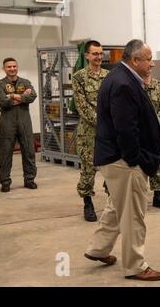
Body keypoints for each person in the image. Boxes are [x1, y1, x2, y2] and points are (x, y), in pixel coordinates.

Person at [84, 39, 160, 281]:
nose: (152, 64)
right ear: (135, 60)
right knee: (132, 215)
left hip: (116, 159)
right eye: (148, 60)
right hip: (124, 161)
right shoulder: (123, 84)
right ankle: (135, 265)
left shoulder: (121, 77)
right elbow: (126, 130)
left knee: (116, 206)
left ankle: (98, 249)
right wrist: (135, 160)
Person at [72, 40, 109, 222]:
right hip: (88, 132)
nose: (99, 57)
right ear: (87, 56)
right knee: (88, 169)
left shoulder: (109, 76)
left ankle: (112, 201)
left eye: (101, 53)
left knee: (111, 166)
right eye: (95, 54)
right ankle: (87, 202)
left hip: (109, 132)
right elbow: (82, 106)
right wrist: (102, 121)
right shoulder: (79, 77)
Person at [0, 57, 38, 192]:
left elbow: (32, 97)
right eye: (9, 67)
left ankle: (29, 179)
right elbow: (3, 102)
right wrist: (21, 97)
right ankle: (5, 182)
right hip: (7, 121)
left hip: (24, 121)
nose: (12, 69)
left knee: (29, 151)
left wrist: (12, 96)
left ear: (17, 67)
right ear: (4, 69)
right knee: (5, 153)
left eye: (14, 66)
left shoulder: (26, 82)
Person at [143, 75, 160, 209]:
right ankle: (137, 197)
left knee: (157, 162)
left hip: (156, 129)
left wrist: (154, 122)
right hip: (138, 130)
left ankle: (157, 195)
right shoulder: (134, 84)